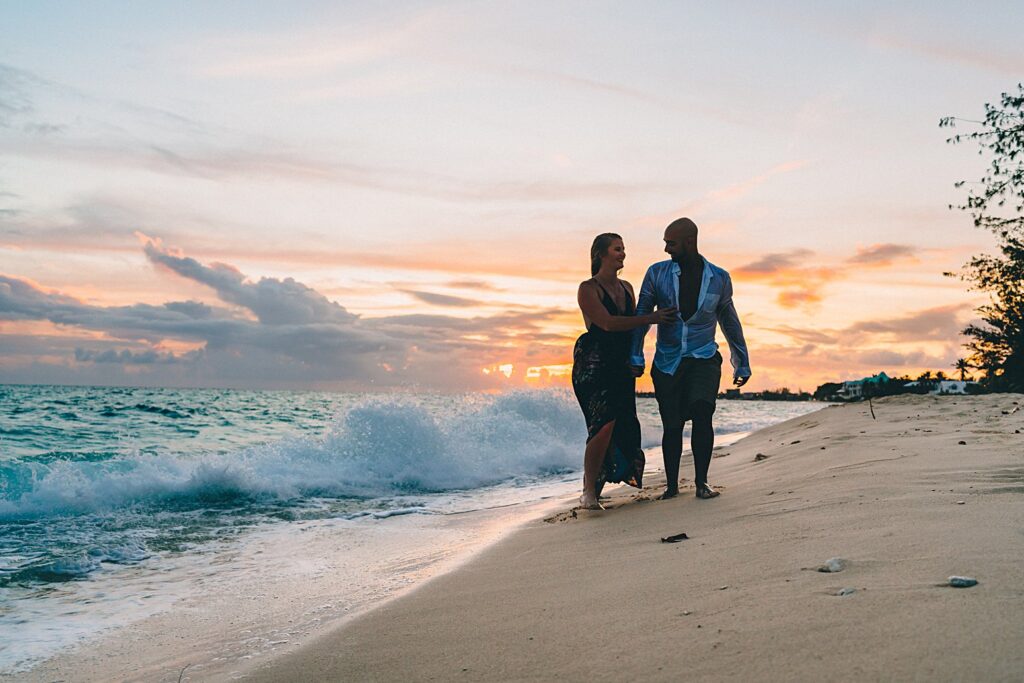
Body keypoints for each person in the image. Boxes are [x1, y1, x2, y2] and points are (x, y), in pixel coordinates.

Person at [630, 217, 751, 500]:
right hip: (667, 361)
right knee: (672, 425)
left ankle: (701, 483)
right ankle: (671, 486)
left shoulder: (719, 278)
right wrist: (635, 354)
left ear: (688, 241)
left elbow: (729, 320)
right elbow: (642, 315)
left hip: (704, 357)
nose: (666, 249)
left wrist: (741, 360)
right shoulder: (656, 273)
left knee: (702, 411)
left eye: (670, 243)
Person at [573, 233, 677, 510]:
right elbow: (606, 323)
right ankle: (588, 493)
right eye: (617, 249)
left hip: (620, 363)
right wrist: (652, 317)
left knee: (621, 424)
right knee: (602, 423)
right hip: (593, 363)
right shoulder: (588, 289)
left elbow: (634, 328)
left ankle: (595, 483)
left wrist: (636, 355)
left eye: (623, 249)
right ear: (600, 254)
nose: (623, 254)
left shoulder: (628, 287)